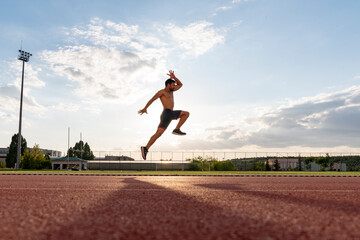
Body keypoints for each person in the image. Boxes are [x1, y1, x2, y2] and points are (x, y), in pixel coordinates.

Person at [138, 70, 190, 160]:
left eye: (174, 85)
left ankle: (145, 148)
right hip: (167, 112)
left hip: (166, 116)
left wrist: (174, 77)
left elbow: (180, 85)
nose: (174, 87)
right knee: (186, 113)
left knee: (158, 134)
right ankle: (177, 129)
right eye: (173, 85)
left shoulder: (172, 91)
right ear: (168, 85)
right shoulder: (162, 92)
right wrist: (145, 108)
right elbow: (152, 99)